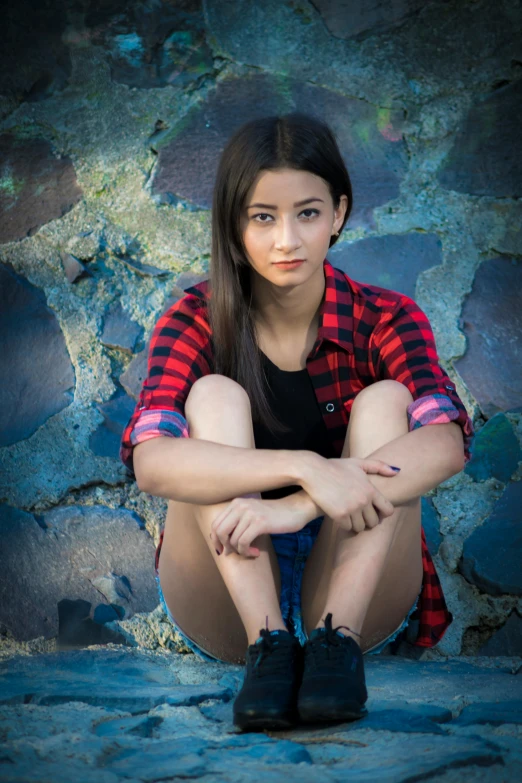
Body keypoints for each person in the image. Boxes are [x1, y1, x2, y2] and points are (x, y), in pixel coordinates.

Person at [120, 113, 475, 732]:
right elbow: (151, 462)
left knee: (389, 400)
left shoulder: (385, 317)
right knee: (212, 396)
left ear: (338, 214)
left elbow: (447, 445)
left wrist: (301, 507)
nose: (287, 240)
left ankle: (334, 646)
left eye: (307, 214)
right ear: (235, 225)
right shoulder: (197, 317)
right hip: (225, 577)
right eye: (263, 217)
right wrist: (304, 468)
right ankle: (270, 645)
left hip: (353, 573)